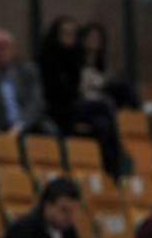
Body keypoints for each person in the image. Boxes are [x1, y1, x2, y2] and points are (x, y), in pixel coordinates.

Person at [38, 15, 124, 177]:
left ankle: (111, 171)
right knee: (105, 105)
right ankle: (118, 162)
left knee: (103, 125)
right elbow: (57, 93)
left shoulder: (76, 58)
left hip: (76, 107)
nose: (69, 37)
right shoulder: (48, 59)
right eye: (65, 33)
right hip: (58, 110)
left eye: (73, 34)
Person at [0, 27, 56, 135]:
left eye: (5, 47)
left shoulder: (28, 72)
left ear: (14, 50)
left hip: (29, 125)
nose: (1, 52)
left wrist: (20, 125)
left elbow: (36, 103)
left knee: (49, 129)